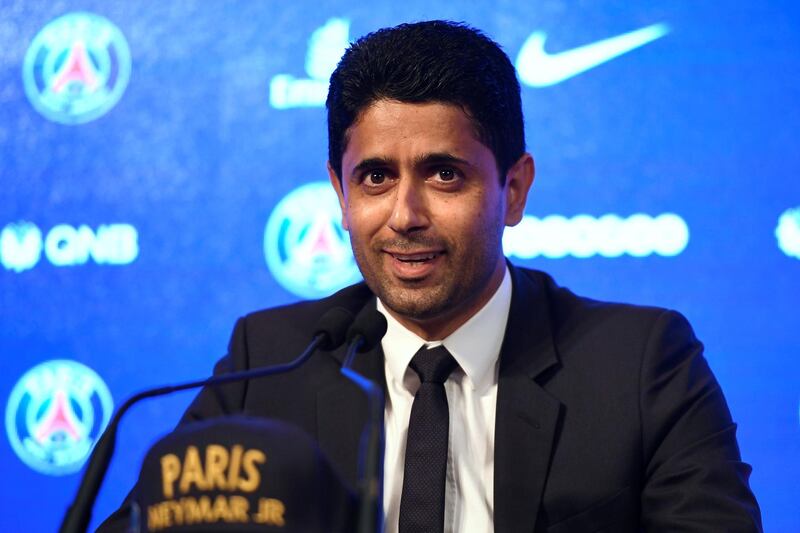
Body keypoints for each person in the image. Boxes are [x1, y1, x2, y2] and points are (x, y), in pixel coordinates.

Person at [102, 20, 761, 532]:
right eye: (376, 177)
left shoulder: (641, 363)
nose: (405, 215)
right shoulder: (269, 362)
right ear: (340, 191)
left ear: (515, 188)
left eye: (446, 174)